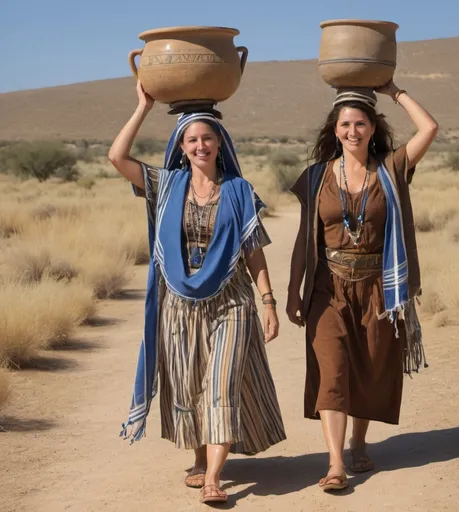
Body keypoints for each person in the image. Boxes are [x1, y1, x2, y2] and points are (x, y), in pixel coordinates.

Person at [109, 81, 286, 504]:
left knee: (222, 383)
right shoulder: (165, 185)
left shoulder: (239, 190)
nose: (201, 145)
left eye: (208, 137)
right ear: (182, 146)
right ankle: (200, 456)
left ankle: (213, 477)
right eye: (192, 139)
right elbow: (117, 157)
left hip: (232, 301)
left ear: (220, 144)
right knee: (188, 384)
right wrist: (142, 107)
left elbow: (253, 250)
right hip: (180, 304)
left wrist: (268, 301)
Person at [286, 82, 438, 491]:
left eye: (360, 124)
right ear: (334, 130)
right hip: (327, 288)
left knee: (369, 368)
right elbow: (305, 238)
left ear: (373, 128)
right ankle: (335, 464)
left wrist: (395, 91)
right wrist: (291, 290)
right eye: (345, 124)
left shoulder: (391, 169)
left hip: (377, 288)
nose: (352, 131)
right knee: (332, 371)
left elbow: (429, 129)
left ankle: (358, 440)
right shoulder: (317, 176)